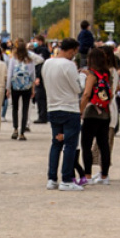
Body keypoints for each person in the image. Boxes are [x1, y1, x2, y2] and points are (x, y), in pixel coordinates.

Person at [44, 38, 86, 191]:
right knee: (70, 144)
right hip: (69, 108)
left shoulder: (47, 63)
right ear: (72, 50)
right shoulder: (69, 65)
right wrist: (82, 76)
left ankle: (52, 178)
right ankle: (67, 179)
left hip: (53, 107)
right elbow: (78, 88)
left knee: (56, 143)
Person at [79, 47, 113, 186]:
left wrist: (80, 110)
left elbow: (87, 94)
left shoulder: (91, 76)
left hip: (91, 113)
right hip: (105, 112)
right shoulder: (107, 74)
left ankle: (87, 175)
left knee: (86, 144)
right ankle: (104, 175)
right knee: (103, 144)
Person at [6, 38, 39, 140]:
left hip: (15, 86)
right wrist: (33, 88)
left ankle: (15, 129)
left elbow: (9, 74)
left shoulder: (13, 60)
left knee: (15, 108)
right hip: (27, 87)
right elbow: (33, 75)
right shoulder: (30, 61)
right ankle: (22, 132)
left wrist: (8, 88)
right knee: (25, 109)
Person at [32, 35, 52, 124]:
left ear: (40, 41)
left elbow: (41, 64)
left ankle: (42, 116)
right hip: (43, 75)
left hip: (41, 76)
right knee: (41, 97)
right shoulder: (42, 50)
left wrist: (38, 76)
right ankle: (43, 115)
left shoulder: (43, 50)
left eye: (35, 41)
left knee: (41, 97)